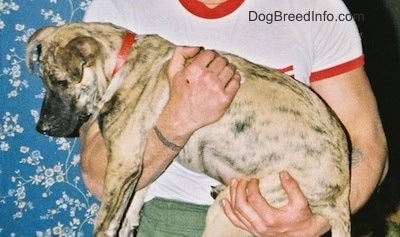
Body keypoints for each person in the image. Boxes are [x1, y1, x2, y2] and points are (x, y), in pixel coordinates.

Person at [81, 0, 389, 236]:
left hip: (276, 220)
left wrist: (315, 223)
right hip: (164, 219)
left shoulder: (315, 7)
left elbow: (368, 145)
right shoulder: (119, 8)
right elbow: (97, 175)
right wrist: (176, 121)